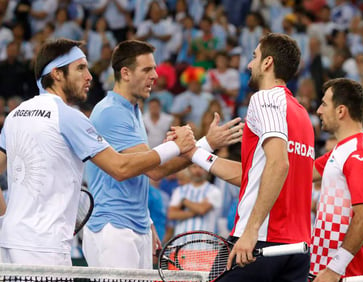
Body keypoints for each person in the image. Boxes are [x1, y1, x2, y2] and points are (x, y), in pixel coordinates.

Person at [0, 38, 196, 265]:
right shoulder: (69, 116)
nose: (89, 76)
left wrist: (6, 217)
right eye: (80, 68)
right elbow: (121, 168)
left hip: (9, 243)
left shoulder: (16, 114)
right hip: (46, 248)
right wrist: (176, 146)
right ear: (57, 74)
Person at [82, 40, 244, 269]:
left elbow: (140, 172)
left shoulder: (132, 110)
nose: (156, 75)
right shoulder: (111, 112)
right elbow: (155, 170)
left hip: (134, 225)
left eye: (155, 68)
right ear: (125, 73)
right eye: (147, 69)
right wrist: (204, 143)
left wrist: (146, 221)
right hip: (113, 227)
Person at [183, 33, 315, 282]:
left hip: (259, 242)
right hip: (296, 249)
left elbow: (278, 164)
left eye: (254, 57)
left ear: (268, 63)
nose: (249, 65)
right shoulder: (302, 115)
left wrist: (251, 231)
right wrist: (194, 153)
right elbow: (251, 175)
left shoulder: (264, 98)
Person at [310, 78, 363, 282]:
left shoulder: (358, 153)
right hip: (326, 273)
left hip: (343, 276)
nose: (319, 111)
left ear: (341, 111)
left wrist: (334, 269)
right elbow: (291, 175)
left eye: (324, 104)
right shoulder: (341, 150)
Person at [168, 164, 222, 236]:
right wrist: (196, 209)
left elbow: (202, 209)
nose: (197, 170)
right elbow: (171, 214)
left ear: (207, 170)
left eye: (201, 167)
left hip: (205, 241)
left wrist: (184, 201)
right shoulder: (179, 190)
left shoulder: (214, 191)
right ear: (189, 169)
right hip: (181, 240)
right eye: (194, 167)